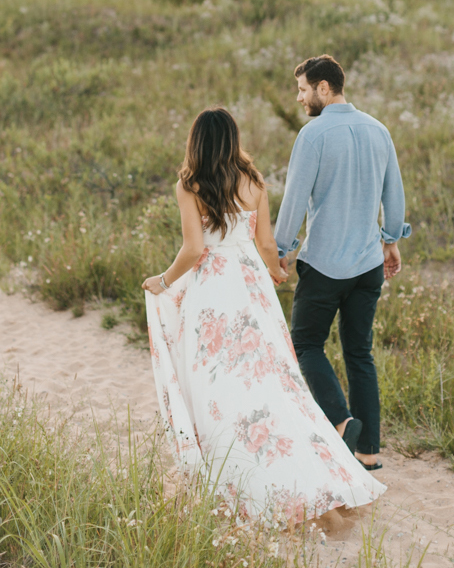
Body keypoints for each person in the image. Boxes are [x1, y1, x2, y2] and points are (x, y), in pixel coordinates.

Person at [144, 107, 385, 524]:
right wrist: (274, 270)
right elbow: (267, 243)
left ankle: (233, 472)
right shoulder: (253, 182)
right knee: (273, 378)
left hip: (212, 293)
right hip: (250, 286)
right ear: (233, 139)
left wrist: (163, 281)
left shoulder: (190, 186)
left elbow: (194, 249)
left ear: (196, 142)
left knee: (218, 385)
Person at [274, 54, 411, 473]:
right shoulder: (379, 130)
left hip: (325, 265)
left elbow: (295, 198)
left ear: (324, 88)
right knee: (359, 353)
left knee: (306, 344)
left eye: (302, 89)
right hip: (368, 263)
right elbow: (395, 192)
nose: (299, 98)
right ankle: (368, 452)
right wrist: (391, 240)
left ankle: (341, 420)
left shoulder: (313, 135)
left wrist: (281, 249)